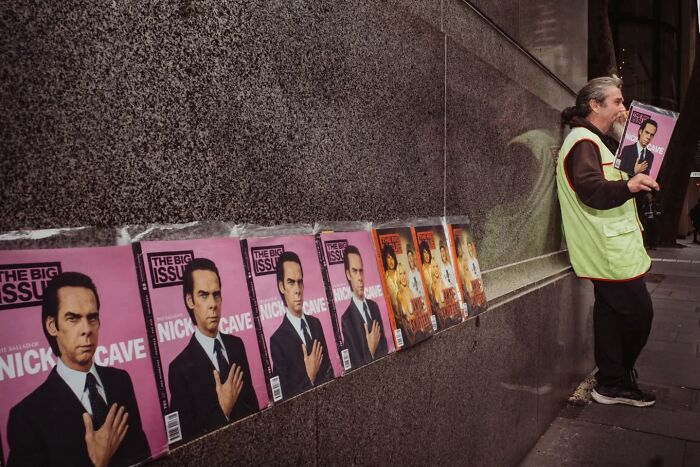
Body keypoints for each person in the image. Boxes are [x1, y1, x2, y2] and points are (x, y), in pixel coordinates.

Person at [558, 75, 660, 407]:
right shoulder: (583, 141)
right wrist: (628, 187)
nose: (623, 107)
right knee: (639, 315)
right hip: (609, 251)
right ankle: (615, 379)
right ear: (595, 105)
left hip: (614, 249)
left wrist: (634, 179)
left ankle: (609, 382)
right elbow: (591, 191)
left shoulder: (597, 140)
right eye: (617, 101)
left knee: (610, 315)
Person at [6, 272, 150, 467]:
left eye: (92, 318)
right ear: (52, 326)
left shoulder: (120, 381)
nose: (87, 329)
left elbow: (144, 455)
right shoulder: (26, 417)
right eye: (73, 318)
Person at [167, 258, 259, 442]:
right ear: (190, 300)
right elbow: (184, 442)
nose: (213, 304)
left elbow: (253, 406)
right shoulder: (178, 369)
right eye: (203, 295)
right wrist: (223, 411)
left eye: (216, 294)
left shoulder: (236, 346)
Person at [269, 251, 334, 400]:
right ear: (281, 286)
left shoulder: (315, 324)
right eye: (291, 282)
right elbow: (284, 398)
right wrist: (309, 377)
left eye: (300, 282)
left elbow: (328, 370)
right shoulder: (277, 341)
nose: (297, 290)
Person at [340, 245, 389, 369]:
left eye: (361, 271)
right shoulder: (346, 319)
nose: (360, 278)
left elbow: (385, 348)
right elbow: (355, 366)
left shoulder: (374, 306)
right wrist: (370, 350)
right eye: (355, 271)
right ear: (348, 274)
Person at [381, 244, 399, 311]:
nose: (391, 261)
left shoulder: (400, 273)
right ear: (385, 260)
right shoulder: (384, 279)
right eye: (388, 257)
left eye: (392, 257)